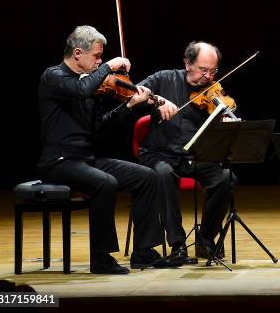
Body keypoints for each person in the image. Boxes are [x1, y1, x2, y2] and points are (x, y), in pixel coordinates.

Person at [38, 25, 180, 274]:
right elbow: (80, 89)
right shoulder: (54, 77)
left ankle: (144, 252)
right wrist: (110, 65)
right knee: (106, 183)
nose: (100, 61)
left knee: (147, 177)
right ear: (78, 53)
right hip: (58, 162)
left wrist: (130, 105)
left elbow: (99, 129)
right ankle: (100, 257)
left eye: (102, 57)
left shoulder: (91, 86)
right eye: (96, 56)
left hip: (85, 159)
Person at [137, 41, 233, 262]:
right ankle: (178, 245)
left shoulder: (212, 91)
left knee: (226, 177)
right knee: (163, 175)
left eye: (213, 71)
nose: (208, 77)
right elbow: (134, 92)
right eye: (203, 70)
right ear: (187, 63)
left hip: (195, 156)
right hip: (161, 154)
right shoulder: (164, 78)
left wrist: (224, 122)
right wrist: (156, 99)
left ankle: (206, 241)